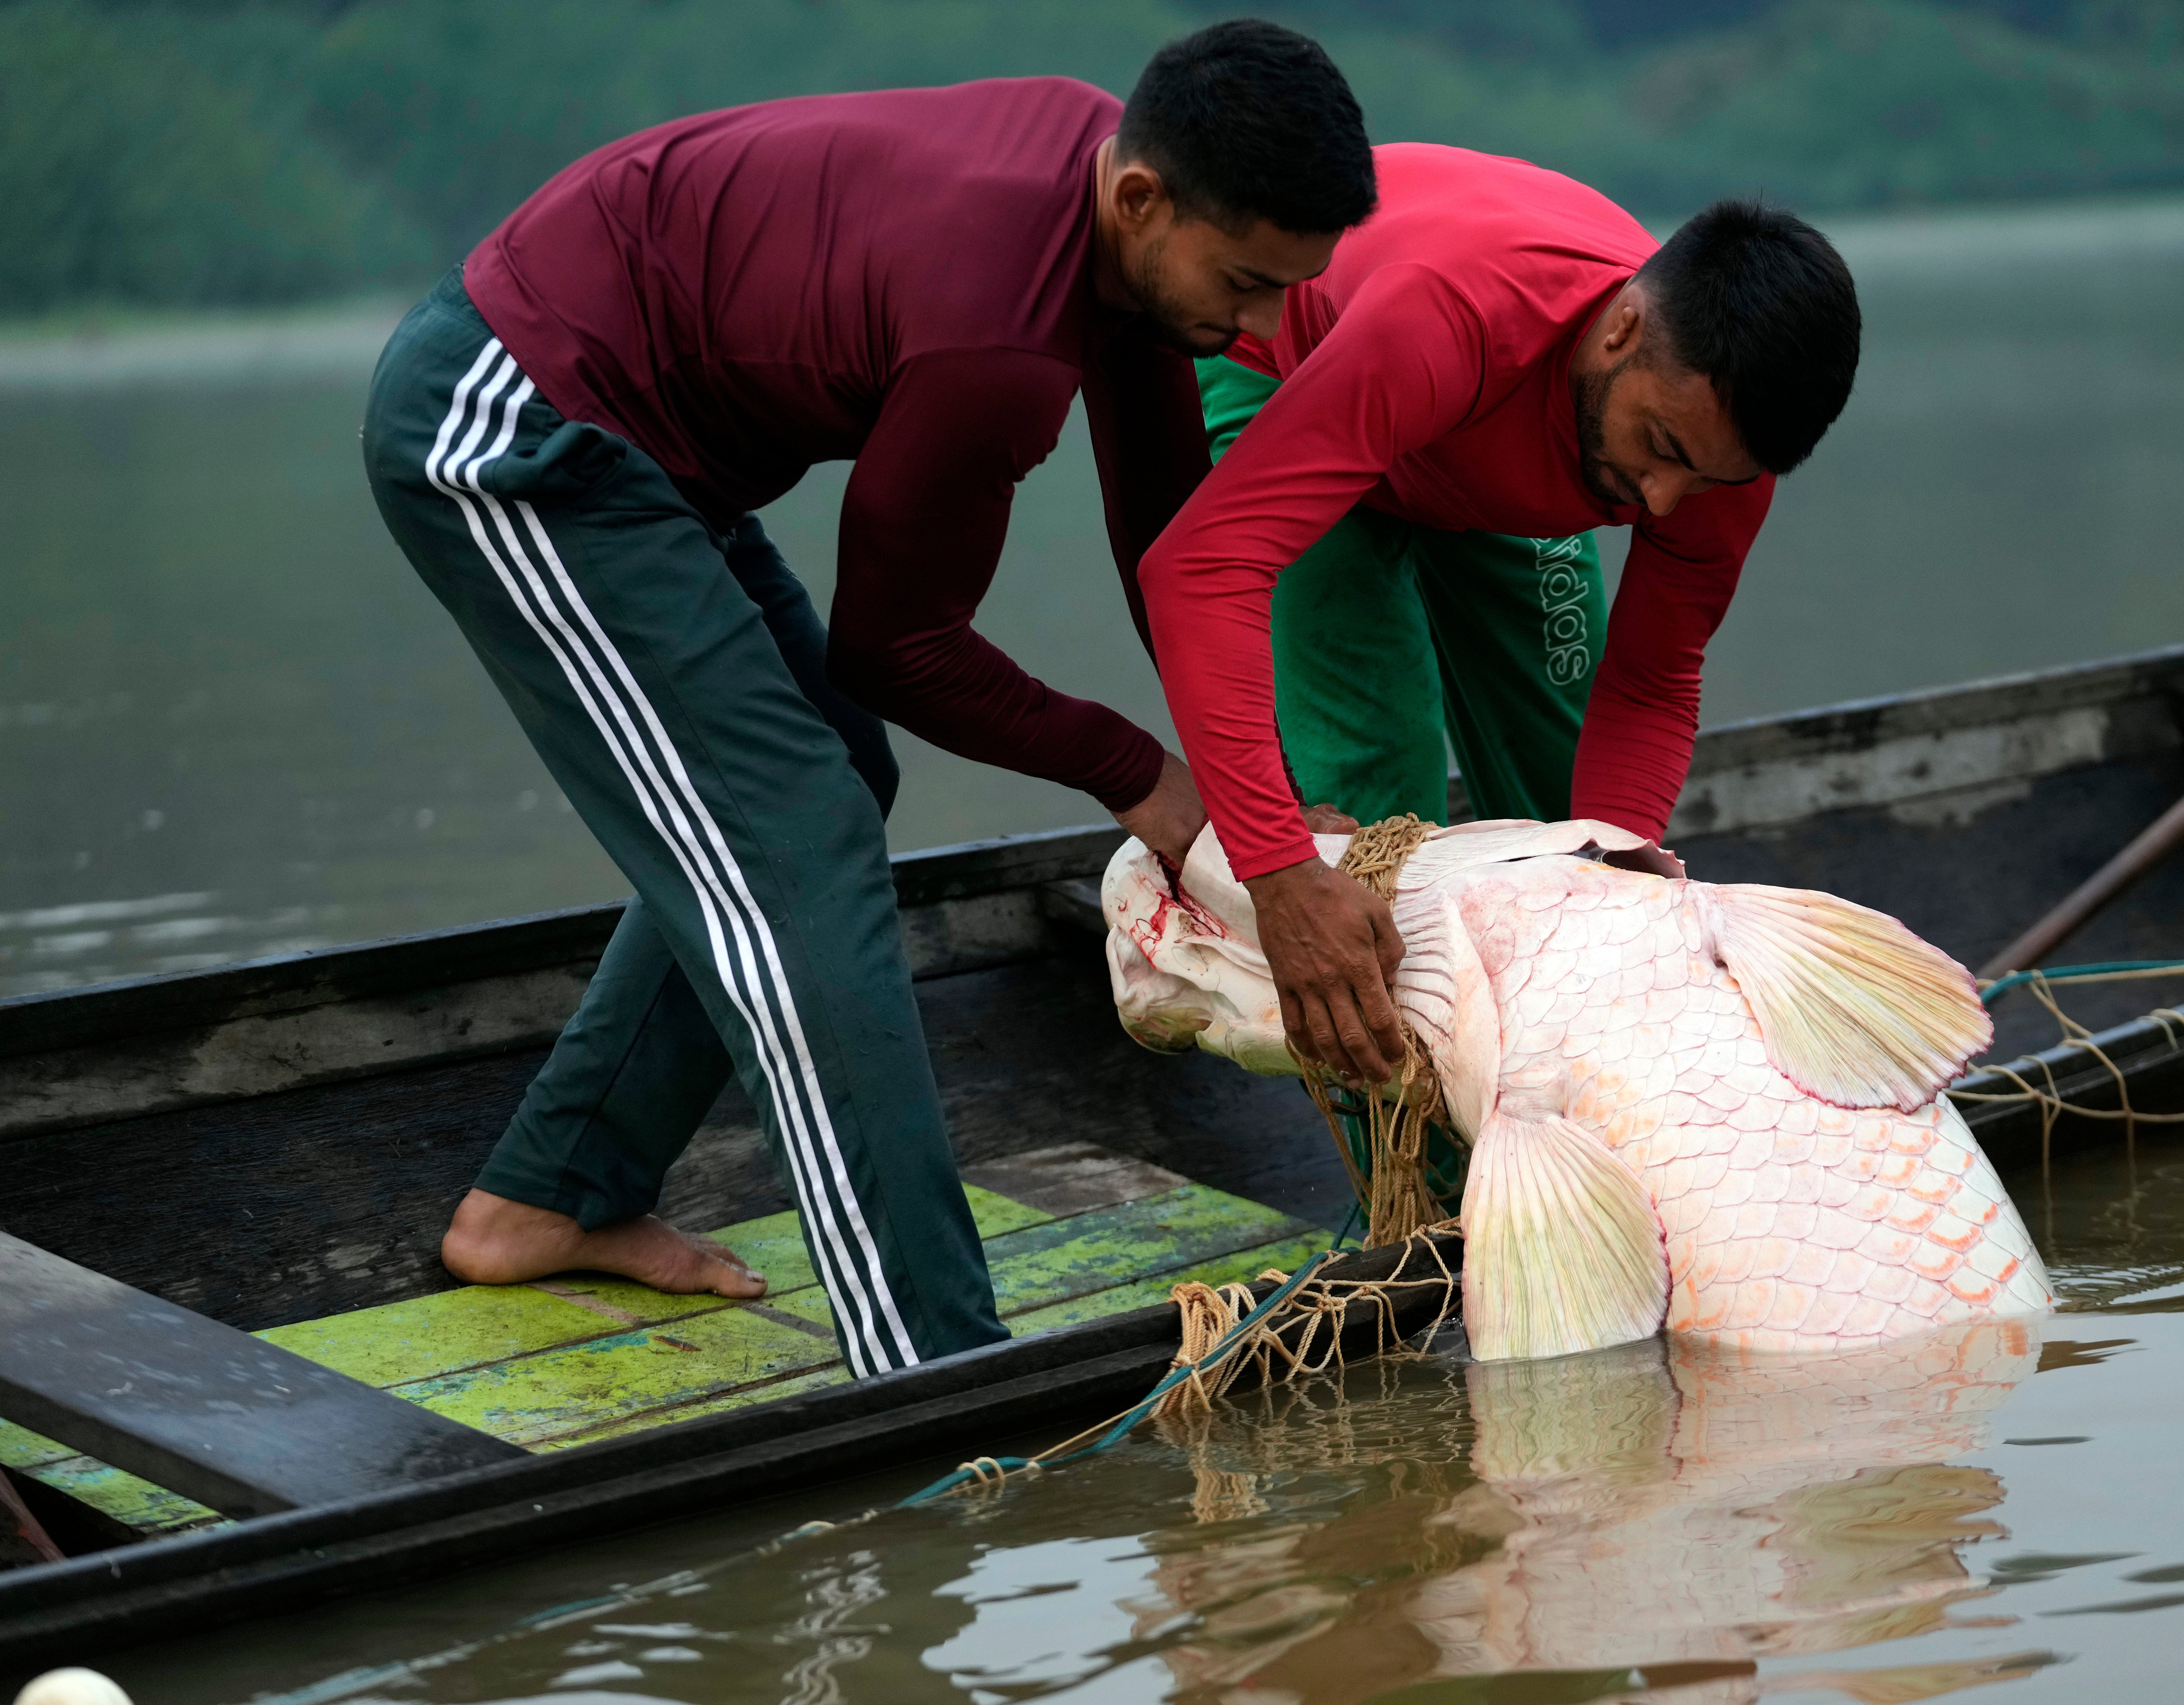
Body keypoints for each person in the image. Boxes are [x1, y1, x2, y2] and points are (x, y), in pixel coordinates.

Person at [359, 22, 1375, 1374]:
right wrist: (1141, 776)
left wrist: (1258, 807)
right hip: (517, 424)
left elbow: (1170, 549)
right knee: (792, 848)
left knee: (834, 779)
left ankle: (554, 1194)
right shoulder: (993, 350)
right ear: (1143, 199)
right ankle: (932, 1357)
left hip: (654, 448)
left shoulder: (1113, 196)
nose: (1257, 329)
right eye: (1248, 284)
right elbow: (896, 649)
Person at [1143, 148, 1862, 1087]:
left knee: (1584, 832)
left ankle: (1584, 1128)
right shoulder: (1450, 320)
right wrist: (1276, 872)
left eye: (1705, 478)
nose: (1663, 502)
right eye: (1661, 449)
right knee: (1367, 833)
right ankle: (1412, 1195)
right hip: (1309, 380)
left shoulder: (1716, 452)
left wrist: (1618, 873)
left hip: (1504, 465)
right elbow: (1200, 570)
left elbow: (1652, 677)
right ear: (1619, 332)